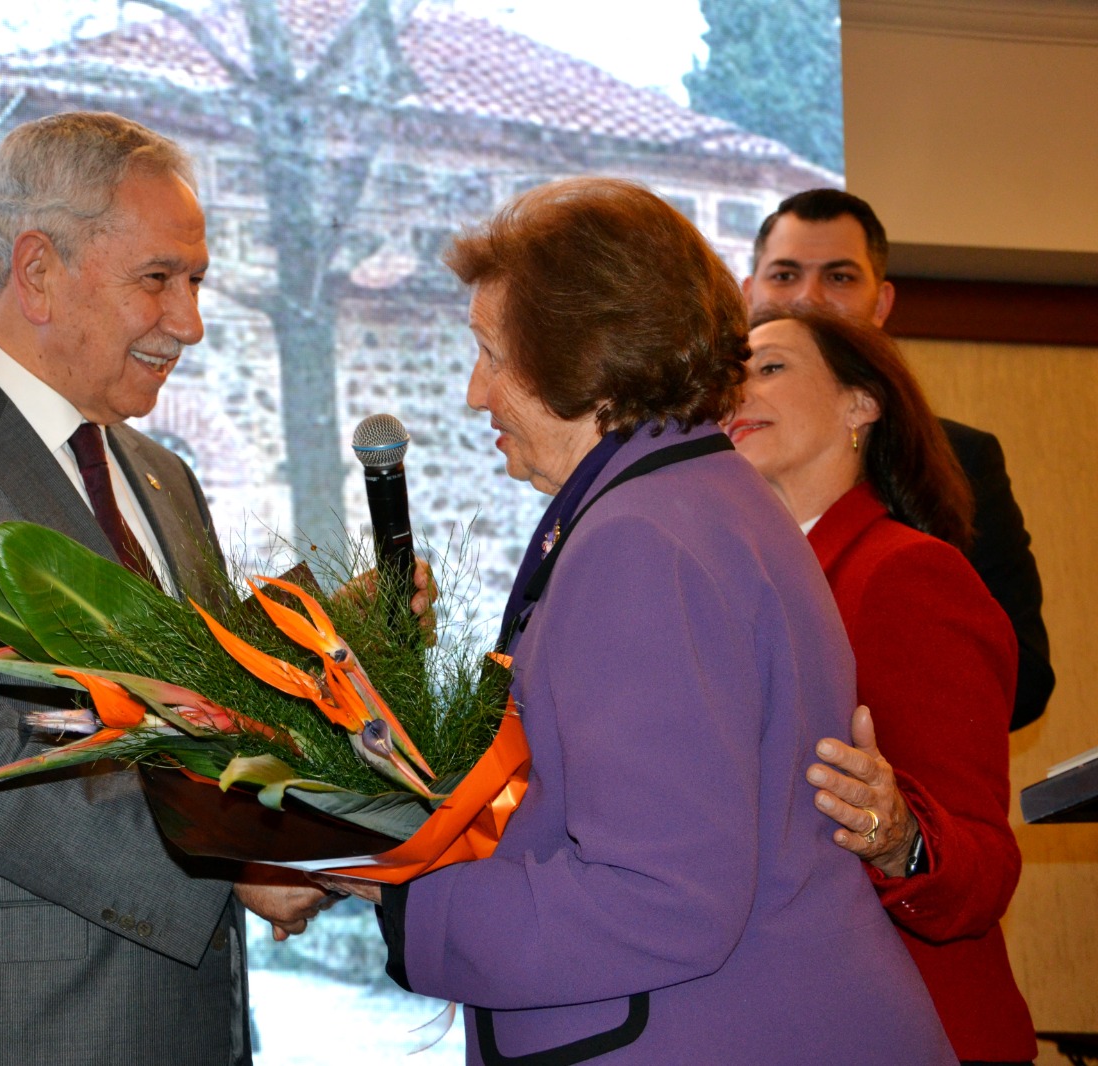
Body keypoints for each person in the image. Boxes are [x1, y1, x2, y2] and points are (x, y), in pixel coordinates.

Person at [325, 179, 952, 1063]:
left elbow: (662, 896)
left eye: (493, 354)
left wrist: (412, 908)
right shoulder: (696, 497)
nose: (476, 393)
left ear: (584, 355)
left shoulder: (643, 537)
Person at [0, 112, 334, 1065]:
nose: (190, 323)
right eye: (158, 280)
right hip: (2, 1035)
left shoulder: (165, 476)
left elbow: (194, 705)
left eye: (196, 281)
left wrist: (328, 641)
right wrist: (234, 856)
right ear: (38, 269)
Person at [726, 308, 1036, 1064]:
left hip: (918, 1030)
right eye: (728, 376)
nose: (737, 392)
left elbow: (983, 866)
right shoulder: (749, 585)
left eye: (768, 368)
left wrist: (898, 839)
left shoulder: (905, 572)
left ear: (861, 404)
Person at [745, 188, 1053, 731]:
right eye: (785, 276)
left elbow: (1019, 678)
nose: (808, 299)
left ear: (881, 302)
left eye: (839, 278)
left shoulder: (960, 466)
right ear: (748, 294)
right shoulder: (709, 469)